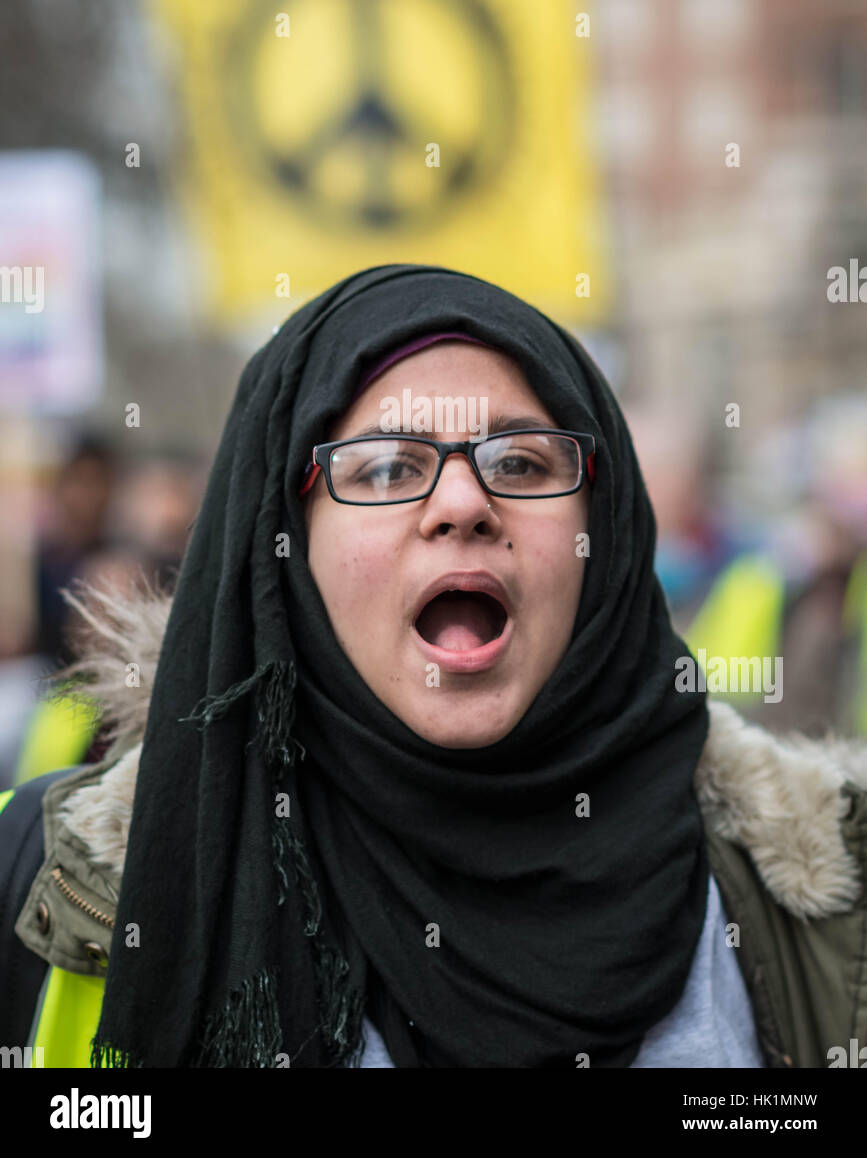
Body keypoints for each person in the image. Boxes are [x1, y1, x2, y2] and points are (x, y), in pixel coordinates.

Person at [2, 264, 866, 1068]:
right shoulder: (45, 877)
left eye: (522, 462)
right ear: (286, 548)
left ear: (603, 532)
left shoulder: (825, 889)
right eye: (385, 468)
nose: (461, 504)